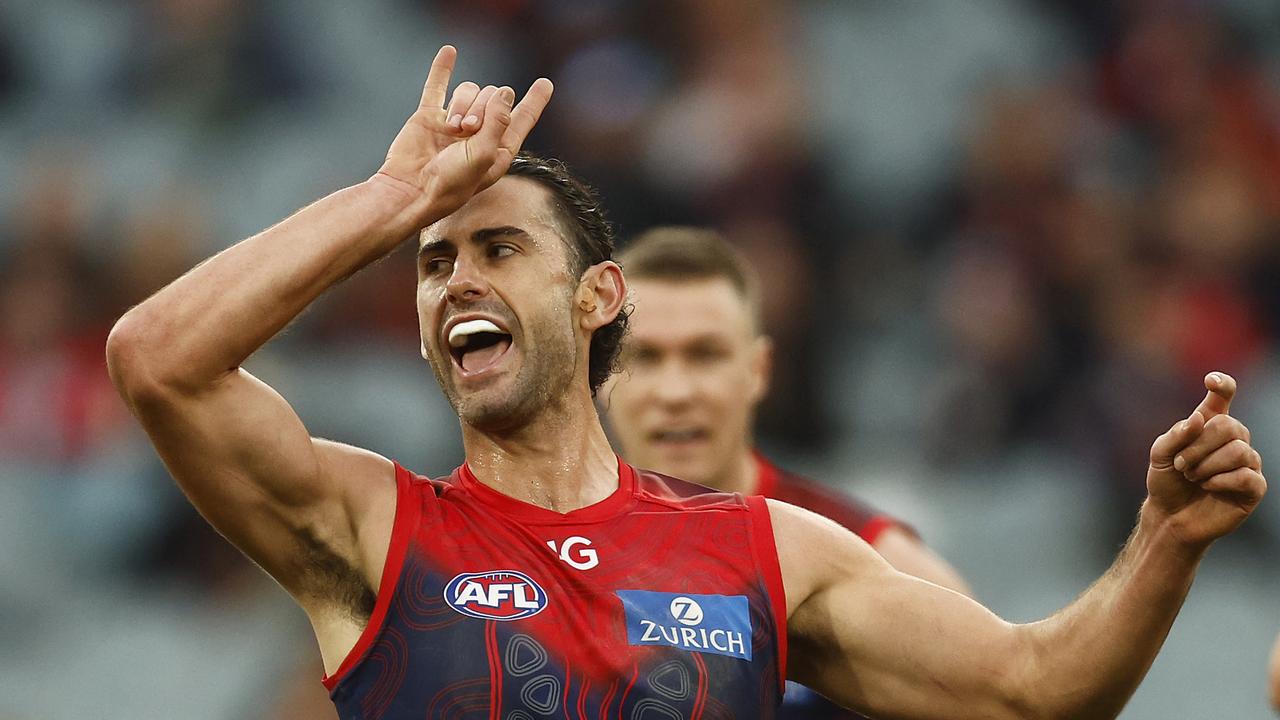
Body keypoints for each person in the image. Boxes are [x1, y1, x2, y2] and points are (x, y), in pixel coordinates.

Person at [107, 45, 1267, 719]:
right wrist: (391, 201)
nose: (456, 278)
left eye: (500, 249)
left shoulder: (773, 552)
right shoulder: (373, 529)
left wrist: (1167, 535)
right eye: (433, 266)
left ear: (599, 296)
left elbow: (1030, 692)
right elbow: (158, 359)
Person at [604, 227, 967, 718]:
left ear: (758, 370)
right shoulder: (528, 552)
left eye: (705, 355)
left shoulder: (871, 556)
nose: (676, 392)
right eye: (644, 357)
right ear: (600, 374)